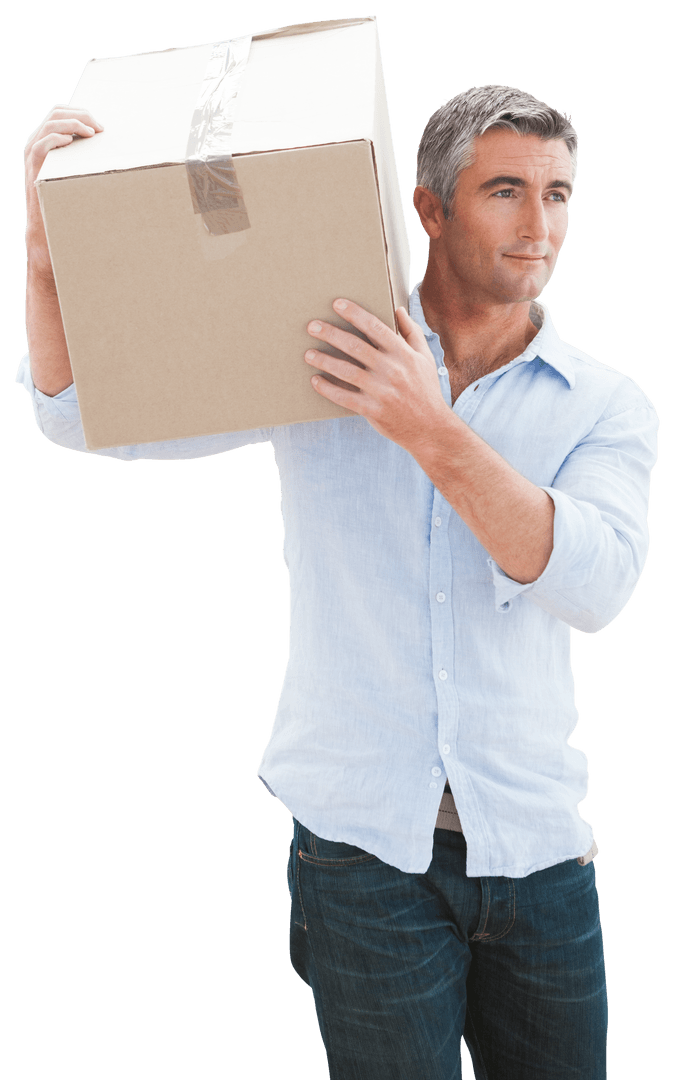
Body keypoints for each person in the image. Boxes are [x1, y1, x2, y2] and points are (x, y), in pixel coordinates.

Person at [18, 84, 659, 1079]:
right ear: (431, 208)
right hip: (364, 857)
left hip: (537, 852)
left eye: (560, 194)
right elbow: (84, 415)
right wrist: (49, 266)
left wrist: (426, 427)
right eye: (505, 191)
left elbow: (594, 584)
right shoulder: (324, 349)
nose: (542, 228)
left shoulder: (608, 406)